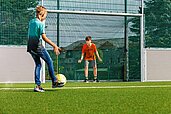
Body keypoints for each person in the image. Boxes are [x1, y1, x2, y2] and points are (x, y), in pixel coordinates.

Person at [27, 6, 64, 92]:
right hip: (37, 46)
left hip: (30, 46)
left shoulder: (31, 21)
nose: (45, 17)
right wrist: (54, 46)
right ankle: (54, 81)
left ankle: (38, 85)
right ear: (42, 14)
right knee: (49, 61)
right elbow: (44, 38)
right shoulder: (40, 24)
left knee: (38, 64)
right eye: (45, 15)